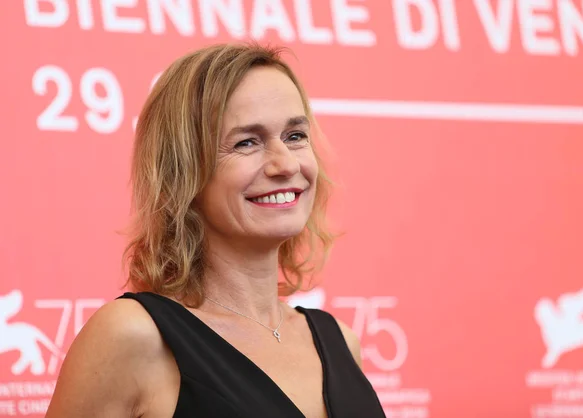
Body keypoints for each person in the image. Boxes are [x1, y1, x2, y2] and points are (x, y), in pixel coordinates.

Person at [46, 43, 386, 417]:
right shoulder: (134, 337)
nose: (285, 164)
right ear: (184, 171)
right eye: (247, 142)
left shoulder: (340, 342)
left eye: (294, 136)